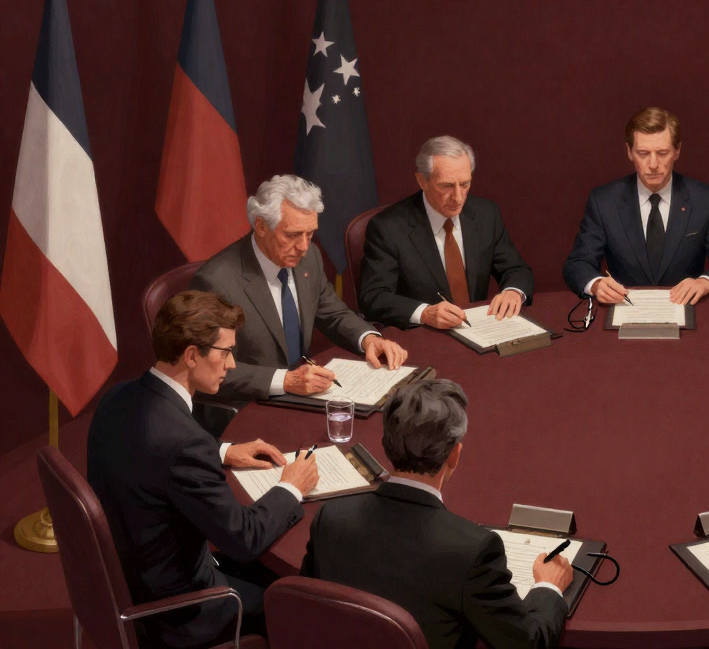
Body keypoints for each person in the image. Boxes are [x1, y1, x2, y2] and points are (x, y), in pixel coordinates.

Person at [88, 291, 320, 648]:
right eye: (225, 352)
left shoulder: (118, 397)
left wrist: (223, 450)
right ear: (192, 355)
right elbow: (244, 539)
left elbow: (150, 450)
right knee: (302, 603)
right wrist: (291, 487)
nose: (231, 365)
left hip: (131, 577)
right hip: (178, 610)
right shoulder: (183, 443)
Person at [301, 378, 572, 649]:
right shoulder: (473, 550)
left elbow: (308, 607)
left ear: (385, 444)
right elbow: (527, 643)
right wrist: (549, 588)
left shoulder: (331, 517)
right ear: (454, 455)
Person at [193, 175, 407, 400]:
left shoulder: (309, 257)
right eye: (292, 235)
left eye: (310, 233)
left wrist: (369, 339)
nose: (304, 246)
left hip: (304, 394)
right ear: (261, 226)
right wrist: (285, 381)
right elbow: (209, 369)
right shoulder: (216, 282)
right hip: (251, 404)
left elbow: (333, 312)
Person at [562, 106, 709, 305]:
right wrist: (597, 284)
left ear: (677, 151)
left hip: (686, 311)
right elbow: (578, 264)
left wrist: (704, 283)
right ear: (629, 152)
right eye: (643, 153)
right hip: (623, 309)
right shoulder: (604, 201)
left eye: (662, 153)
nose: (653, 164)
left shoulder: (706, 200)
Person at [358, 136, 535, 330]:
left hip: (479, 331)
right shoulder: (388, 227)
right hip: (423, 337)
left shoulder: (486, 214)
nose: (458, 197)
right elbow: (373, 296)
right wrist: (425, 313)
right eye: (446, 186)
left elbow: (516, 269)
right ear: (422, 181)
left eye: (465, 184)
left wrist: (513, 292)